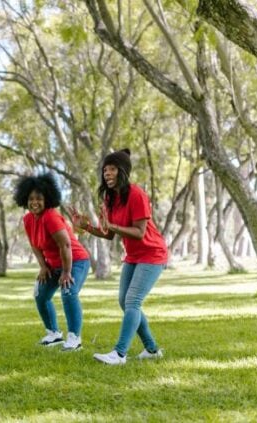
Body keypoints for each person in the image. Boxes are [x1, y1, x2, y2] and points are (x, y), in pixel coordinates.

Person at [70, 149, 168, 365]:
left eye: (112, 169)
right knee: (125, 302)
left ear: (122, 171)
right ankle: (151, 350)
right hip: (133, 256)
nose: (107, 173)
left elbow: (140, 232)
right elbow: (109, 233)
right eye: (105, 170)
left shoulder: (136, 194)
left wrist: (111, 225)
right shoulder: (110, 198)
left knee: (133, 300)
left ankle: (119, 354)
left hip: (153, 253)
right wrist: (85, 226)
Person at [14, 173, 90, 351]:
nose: (34, 202)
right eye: (31, 199)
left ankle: (74, 338)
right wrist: (43, 266)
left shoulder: (51, 217)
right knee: (40, 294)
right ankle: (54, 334)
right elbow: (35, 245)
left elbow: (65, 245)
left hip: (76, 260)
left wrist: (66, 272)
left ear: (47, 199)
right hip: (54, 264)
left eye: (39, 198)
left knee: (68, 291)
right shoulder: (28, 219)